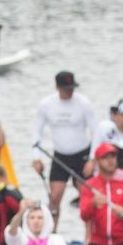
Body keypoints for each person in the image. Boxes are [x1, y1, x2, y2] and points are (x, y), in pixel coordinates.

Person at [31, 71, 99, 228]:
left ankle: (90, 238)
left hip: (82, 155)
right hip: (60, 156)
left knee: (86, 198)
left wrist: (92, 159)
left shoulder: (84, 103)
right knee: (54, 198)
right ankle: (51, 235)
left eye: (72, 88)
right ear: (57, 88)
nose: (70, 92)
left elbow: (96, 132)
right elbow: (37, 132)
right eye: (66, 88)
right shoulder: (46, 105)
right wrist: (36, 158)